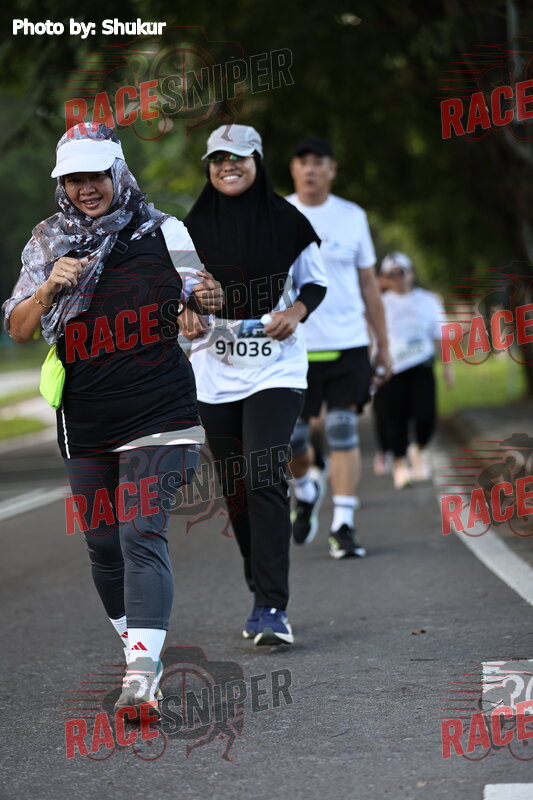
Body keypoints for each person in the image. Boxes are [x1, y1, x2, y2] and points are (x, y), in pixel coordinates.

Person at [2, 123, 223, 716]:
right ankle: (138, 649)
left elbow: (204, 294)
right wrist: (49, 288)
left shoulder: (163, 230)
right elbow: (18, 328)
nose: (86, 188)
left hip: (160, 407)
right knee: (103, 544)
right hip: (87, 415)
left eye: (96, 175)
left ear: (117, 173)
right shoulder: (48, 240)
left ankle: (141, 677)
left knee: (140, 531)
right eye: (74, 178)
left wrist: (202, 302)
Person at [182, 124, 327, 646]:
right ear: (209, 167)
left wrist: (295, 311)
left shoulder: (289, 220)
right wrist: (184, 311)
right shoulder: (189, 229)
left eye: (238, 158)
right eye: (218, 159)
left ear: (257, 162)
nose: (228, 166)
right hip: (216, 373)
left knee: (263, 473)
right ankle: (258, 583)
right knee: (236, 487)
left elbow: (315, 282)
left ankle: (272, 607)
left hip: (276, 369)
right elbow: (174, 289)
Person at [286, 137, 391, 558]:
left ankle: (343, 524)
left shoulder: (352, 216)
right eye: (303, 162)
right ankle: (306, 488)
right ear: (293, 169)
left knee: (342, 428)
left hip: (349, 342)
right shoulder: (278, 213)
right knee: (294, 438)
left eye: (319, 162)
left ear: (332, 170)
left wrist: (383, 344)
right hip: (294, 343)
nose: (310, 169)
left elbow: (369, 284)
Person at [373, 251, 453, 489]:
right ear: (385, 278)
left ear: (411, 274)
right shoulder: (379, 303)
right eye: (391, 274)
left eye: (401, 272)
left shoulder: (428, 300)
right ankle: (400, 465)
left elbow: (440, 335)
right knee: (394, 419)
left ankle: (417, 448)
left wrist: (448, 367)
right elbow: (371, 338)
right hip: (391, 370)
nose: (398, 278)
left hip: (421, 366)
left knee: (426, 416)